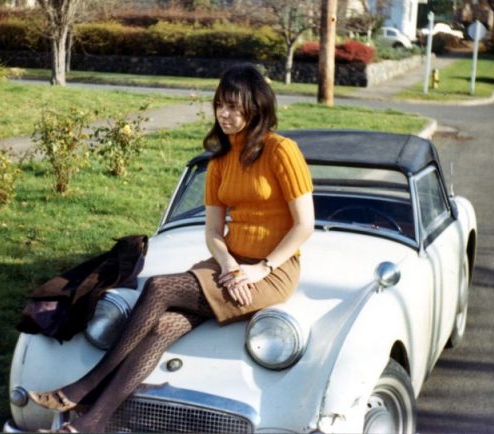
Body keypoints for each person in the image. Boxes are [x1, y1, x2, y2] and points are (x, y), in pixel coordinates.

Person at [27, 63, 315, 433]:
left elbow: (304, 225)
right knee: (162, 327)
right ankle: (92, 424)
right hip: (228, 263)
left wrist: (260, 269)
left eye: (234, 106)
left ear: (256, 107)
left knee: (160, 286)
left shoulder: (281, 151)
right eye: (220, 105)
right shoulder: (220, 160)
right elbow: (213, 231)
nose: (224, 114)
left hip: (273, 271)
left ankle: (85, 387)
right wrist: (228, 264)